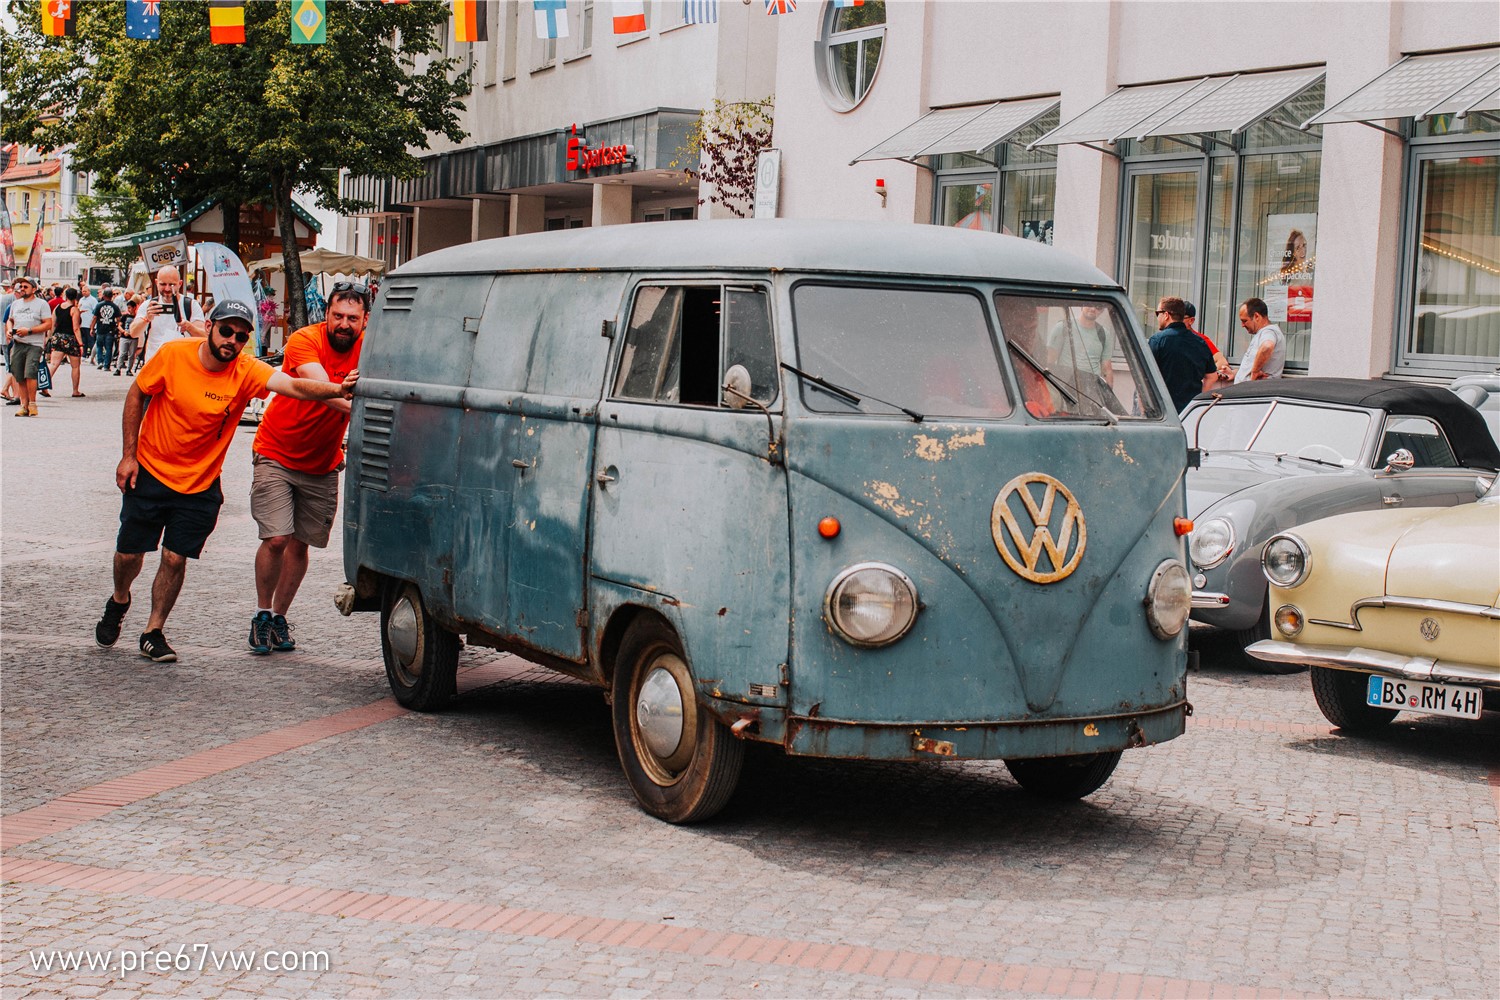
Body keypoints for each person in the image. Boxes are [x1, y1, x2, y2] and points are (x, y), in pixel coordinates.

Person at [93, 299, 361, 663]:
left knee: (174, 558)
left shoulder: (246, 369)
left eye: (240, 336)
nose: (232, 341)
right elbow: (138, 392)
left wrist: (337, 389)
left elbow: (294, 387)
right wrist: (128, 454)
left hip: (200, 484)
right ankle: (120, 598)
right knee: (129, 554)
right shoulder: (174, 355)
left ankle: (153, 631)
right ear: (209, 327)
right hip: (152, 471)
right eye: (226, 331)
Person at [247, 281, 369, 654]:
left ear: (365, 319)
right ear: (326, 314)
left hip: (322, 462)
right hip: (277, 451)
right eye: (337, 316)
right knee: (277, 538)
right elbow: (322, 389)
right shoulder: (305, 339)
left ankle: (280, 618)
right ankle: (262, 614)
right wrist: (368, 411)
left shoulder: (372, 348)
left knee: (300, 545)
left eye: (352, 317)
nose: (343, 324)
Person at [129, 265, 205, 367]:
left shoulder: (191, 305)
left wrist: (189, 326)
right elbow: (133, 333)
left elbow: (204, 337)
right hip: (154, 365)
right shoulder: (148, 305)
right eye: (163, 284)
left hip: (182, 366)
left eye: (172, 285)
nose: (167, 288)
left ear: (180, 284)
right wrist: (146, 319)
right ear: (156, 283)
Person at [1148, 296, 1214, 412]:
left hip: (1163, 410)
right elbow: (1212, 376)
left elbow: (1146, 375)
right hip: (1190, 410)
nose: (1157, 317)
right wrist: (1199, 403)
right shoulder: (1200, 342)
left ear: (1166, 315)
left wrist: (1146, 406)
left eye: (1158, 313)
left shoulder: (1157, 341)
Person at [4, 275, 51, 416]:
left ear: (34, 289)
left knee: (30, 373)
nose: (22, 289)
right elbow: (10, 320)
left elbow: (48, 324)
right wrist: (8, 330)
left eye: (26, 286)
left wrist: (29, 330)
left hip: (34, 343)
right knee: (18, 375)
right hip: (18, 343)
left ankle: (32, 404)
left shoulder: (41, 304)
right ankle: (23, 405)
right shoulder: (16, 304)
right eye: (21, 286)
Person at [1047, 303, 1114, 388]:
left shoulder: (1104, 334)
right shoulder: (1063, 327)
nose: (1093, 309)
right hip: (1065, 387)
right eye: (1089, 304)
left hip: (1092, 390)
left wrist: (1108, 397)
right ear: (1081, 305)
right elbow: (1049, 362)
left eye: (1098, 307)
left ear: (1102, 311)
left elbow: (1106, 370)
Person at [1234, 297, 1286, 383]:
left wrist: (1254, 372)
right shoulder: (1263, 333)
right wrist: (1236, 373)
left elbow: (1267, 346)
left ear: (1256, 316)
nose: (1242, 325)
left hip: (1253, 391)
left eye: (1244, 321)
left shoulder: (1268, 331)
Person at [46, 286, 86, 398]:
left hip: (58, 337)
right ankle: (75, 390)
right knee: (75, 366)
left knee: (53, 364)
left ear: (65, 295)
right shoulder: (74, 309)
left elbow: (53, 324)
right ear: (76, 297)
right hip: (70, 339)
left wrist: (51, 337)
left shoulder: (57, 307)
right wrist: (81, 344)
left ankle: (44, 386)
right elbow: (76, 328)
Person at [1182, 301, 1232, 389]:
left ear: (1191, 320)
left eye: (1181, 318)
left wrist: (1204, 373)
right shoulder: (1166, 338)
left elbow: (1222, 361)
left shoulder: (1201, 339)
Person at [92, 287, 123, 371]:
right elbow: (118, 318)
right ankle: (106, 365)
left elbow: (94, 317)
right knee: (109, 347)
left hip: (100, 328)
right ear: (111, 296)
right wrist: (118, 326)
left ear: (104, 295)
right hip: (110, 329)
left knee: (99, 346)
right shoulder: (115, 306)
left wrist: (92, 328)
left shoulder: (99, 305)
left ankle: (100, 362)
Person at [78, 280, 98, 362]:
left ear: (89, 291)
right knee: (83, 340)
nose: (84, 293)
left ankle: (93, 355)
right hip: (82, 323)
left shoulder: (93, 300)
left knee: (90, 340)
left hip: (89, 323)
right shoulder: (81, 300)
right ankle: (84, 354)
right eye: (83, 291)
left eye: (85, 291)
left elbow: (95, 312)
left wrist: (93, 324)